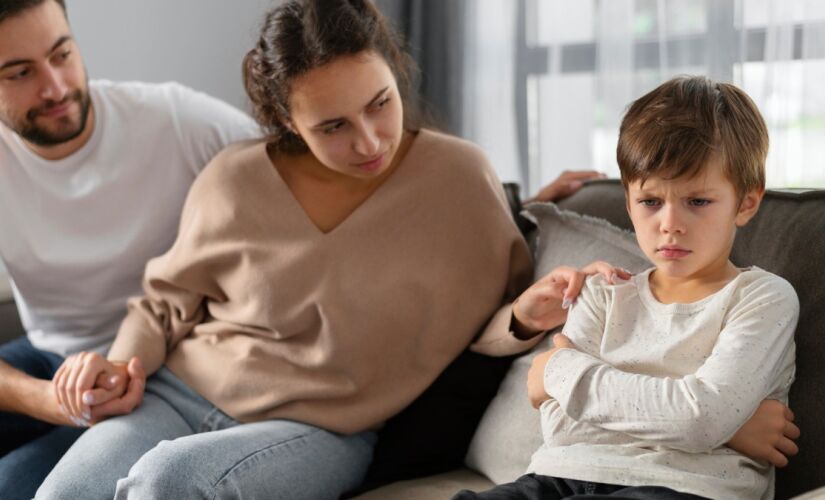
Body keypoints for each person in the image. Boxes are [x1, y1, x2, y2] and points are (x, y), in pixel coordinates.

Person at [32, 0, 618, 498]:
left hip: (321, 429)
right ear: (287, 120)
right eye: (332, 126)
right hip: (177, 394)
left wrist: (525, 316)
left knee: (170, 481)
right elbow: (164, 303)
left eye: (380, 104)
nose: (368, 141)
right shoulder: (235, 177)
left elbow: (490, 319)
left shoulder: (460, 179)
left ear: (395, 73)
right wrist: (120, 365)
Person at [455, 76, 800, 499]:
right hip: (559, 472)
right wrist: (730, 427)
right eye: (651, 202)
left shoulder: (761, 298)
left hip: (684, 488)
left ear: (745, 203)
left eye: (697, 202)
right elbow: (561, 427)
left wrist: (560, 372)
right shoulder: (603, 292)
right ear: (628, 202)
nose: (670, 223)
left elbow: (700, 419)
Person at [0, 0, 263, 497]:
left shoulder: (174, 120)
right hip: (50, 360)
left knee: (13, 485)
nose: (55, 86)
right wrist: (50, 401)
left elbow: (293, 179)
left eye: (62, 54)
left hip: (161, 369)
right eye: (19, 73)